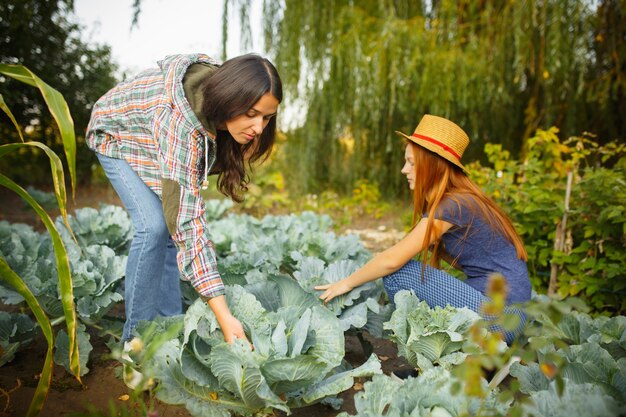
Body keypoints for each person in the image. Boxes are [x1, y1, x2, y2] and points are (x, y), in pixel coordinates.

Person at [86, 53, 282, 347]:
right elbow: (187, 223)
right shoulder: (180, 121)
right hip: (115, 136)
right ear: (231, 97)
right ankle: (136, 343)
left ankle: (169, 326)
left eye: (266, 117)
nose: (258, 128)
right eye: (252, 114)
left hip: (151, 137)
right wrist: (224, 315)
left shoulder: (216, 108)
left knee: (168, 227)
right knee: (153, 227)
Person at [316, 114, 531, 344]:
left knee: (399, 272)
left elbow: (392, 260)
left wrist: (346, 282)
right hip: (509, 312)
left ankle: (447, 358)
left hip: (500, 317)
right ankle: (443, 360)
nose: (403, 170)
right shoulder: (461, 200)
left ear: (433, 165)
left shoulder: (454, 204)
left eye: (411, 163)